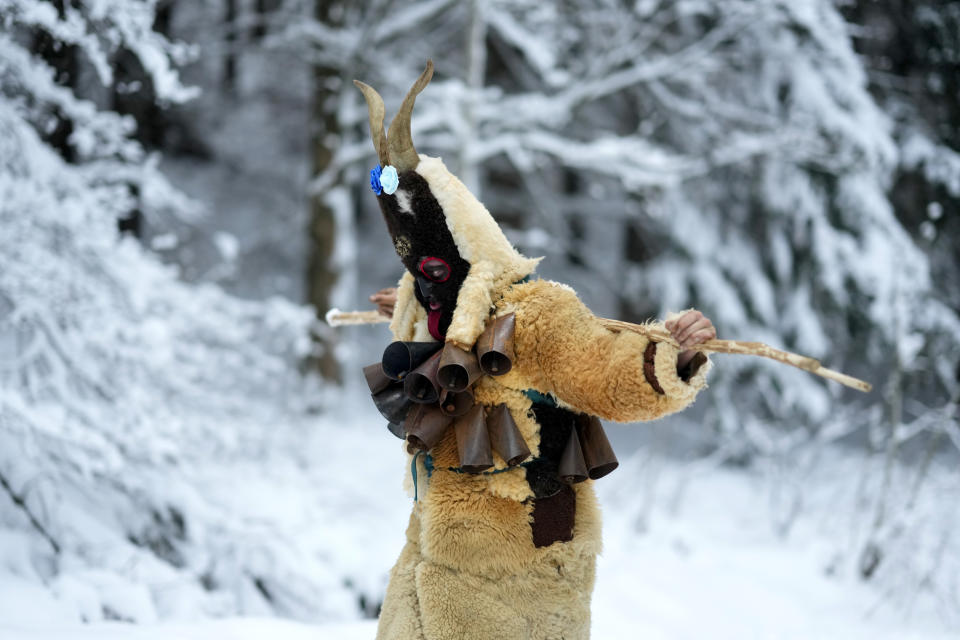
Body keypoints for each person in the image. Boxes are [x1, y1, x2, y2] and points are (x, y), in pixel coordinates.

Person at [357, 62, 714, 640]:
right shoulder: (431, 303)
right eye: (417, 271)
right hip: (441, 543)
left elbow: (602, 370)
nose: (424, 278)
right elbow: (434, 315)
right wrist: (409, 304)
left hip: (523, 550)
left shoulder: (535, 310)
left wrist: (672, 355)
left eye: (433, 269)